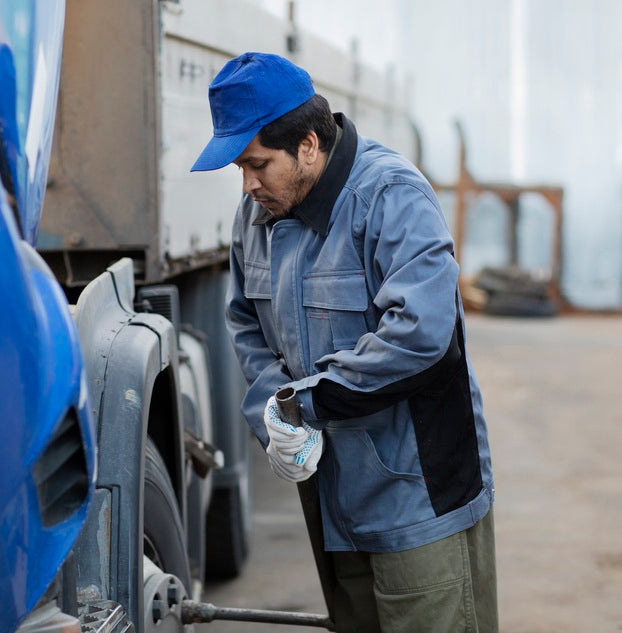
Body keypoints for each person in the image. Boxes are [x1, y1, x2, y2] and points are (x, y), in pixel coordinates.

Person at [191, 52, 498, 632]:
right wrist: (273, 416)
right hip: (333, 502)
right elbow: (246, 324)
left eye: (258, 164)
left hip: (418, 498)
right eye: (239, 168)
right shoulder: (256, 216)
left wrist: (301, 404)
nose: (248, 183)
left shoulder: (391, 195)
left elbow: (422, 337)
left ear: (308, 145)